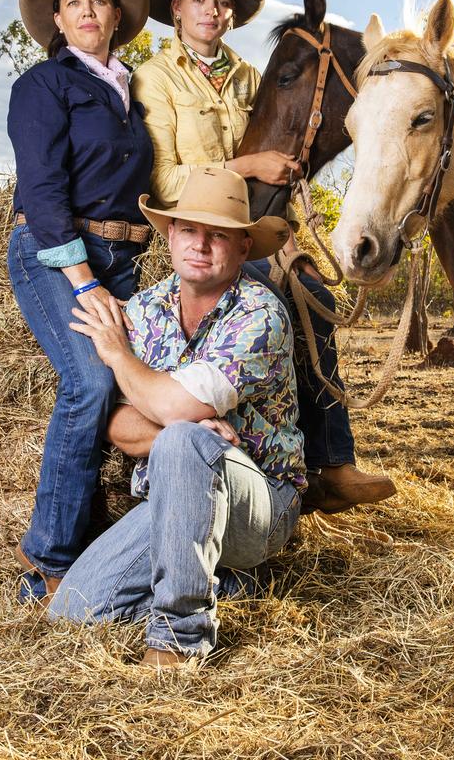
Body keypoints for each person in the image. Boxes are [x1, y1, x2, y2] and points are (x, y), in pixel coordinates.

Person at [131, 0, 395, 513]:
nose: (212, 10)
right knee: (268, 303)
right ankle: (270, 461)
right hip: (189, 230)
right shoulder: (154, 78)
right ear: (176, 8)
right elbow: (165, 179)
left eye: (222, 2)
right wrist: (246, 169)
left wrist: (290, 245)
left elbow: (281, 165)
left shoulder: (252, 78)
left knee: (312, 293)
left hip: (246, 231)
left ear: (232, 15)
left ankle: (330, 462)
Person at [48, 167, 305, 667]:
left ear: (245, 247)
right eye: (188, 229)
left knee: (184, 439)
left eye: (218, 235)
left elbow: (174, 408)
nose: (200, 245)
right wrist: (175, 426)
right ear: (170, 234)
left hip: (260, 503)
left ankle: (179, 639)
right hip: (172, 502)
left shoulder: (260, 315)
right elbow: (114, 423)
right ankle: (224, 579)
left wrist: (123, 360)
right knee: (72, 611)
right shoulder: (142, 312)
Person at [7, 0, 154, 604]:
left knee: (142, 385)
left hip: (124, 258)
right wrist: (86, 284)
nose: (88, 12)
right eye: (74, 3)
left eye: (98, 0)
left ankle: (121, 534)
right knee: (91, 381)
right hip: (54, 252)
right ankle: (50, 560)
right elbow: (41, 195)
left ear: (116, 14)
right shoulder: (43, 87)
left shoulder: (133, 90)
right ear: (58, 22)